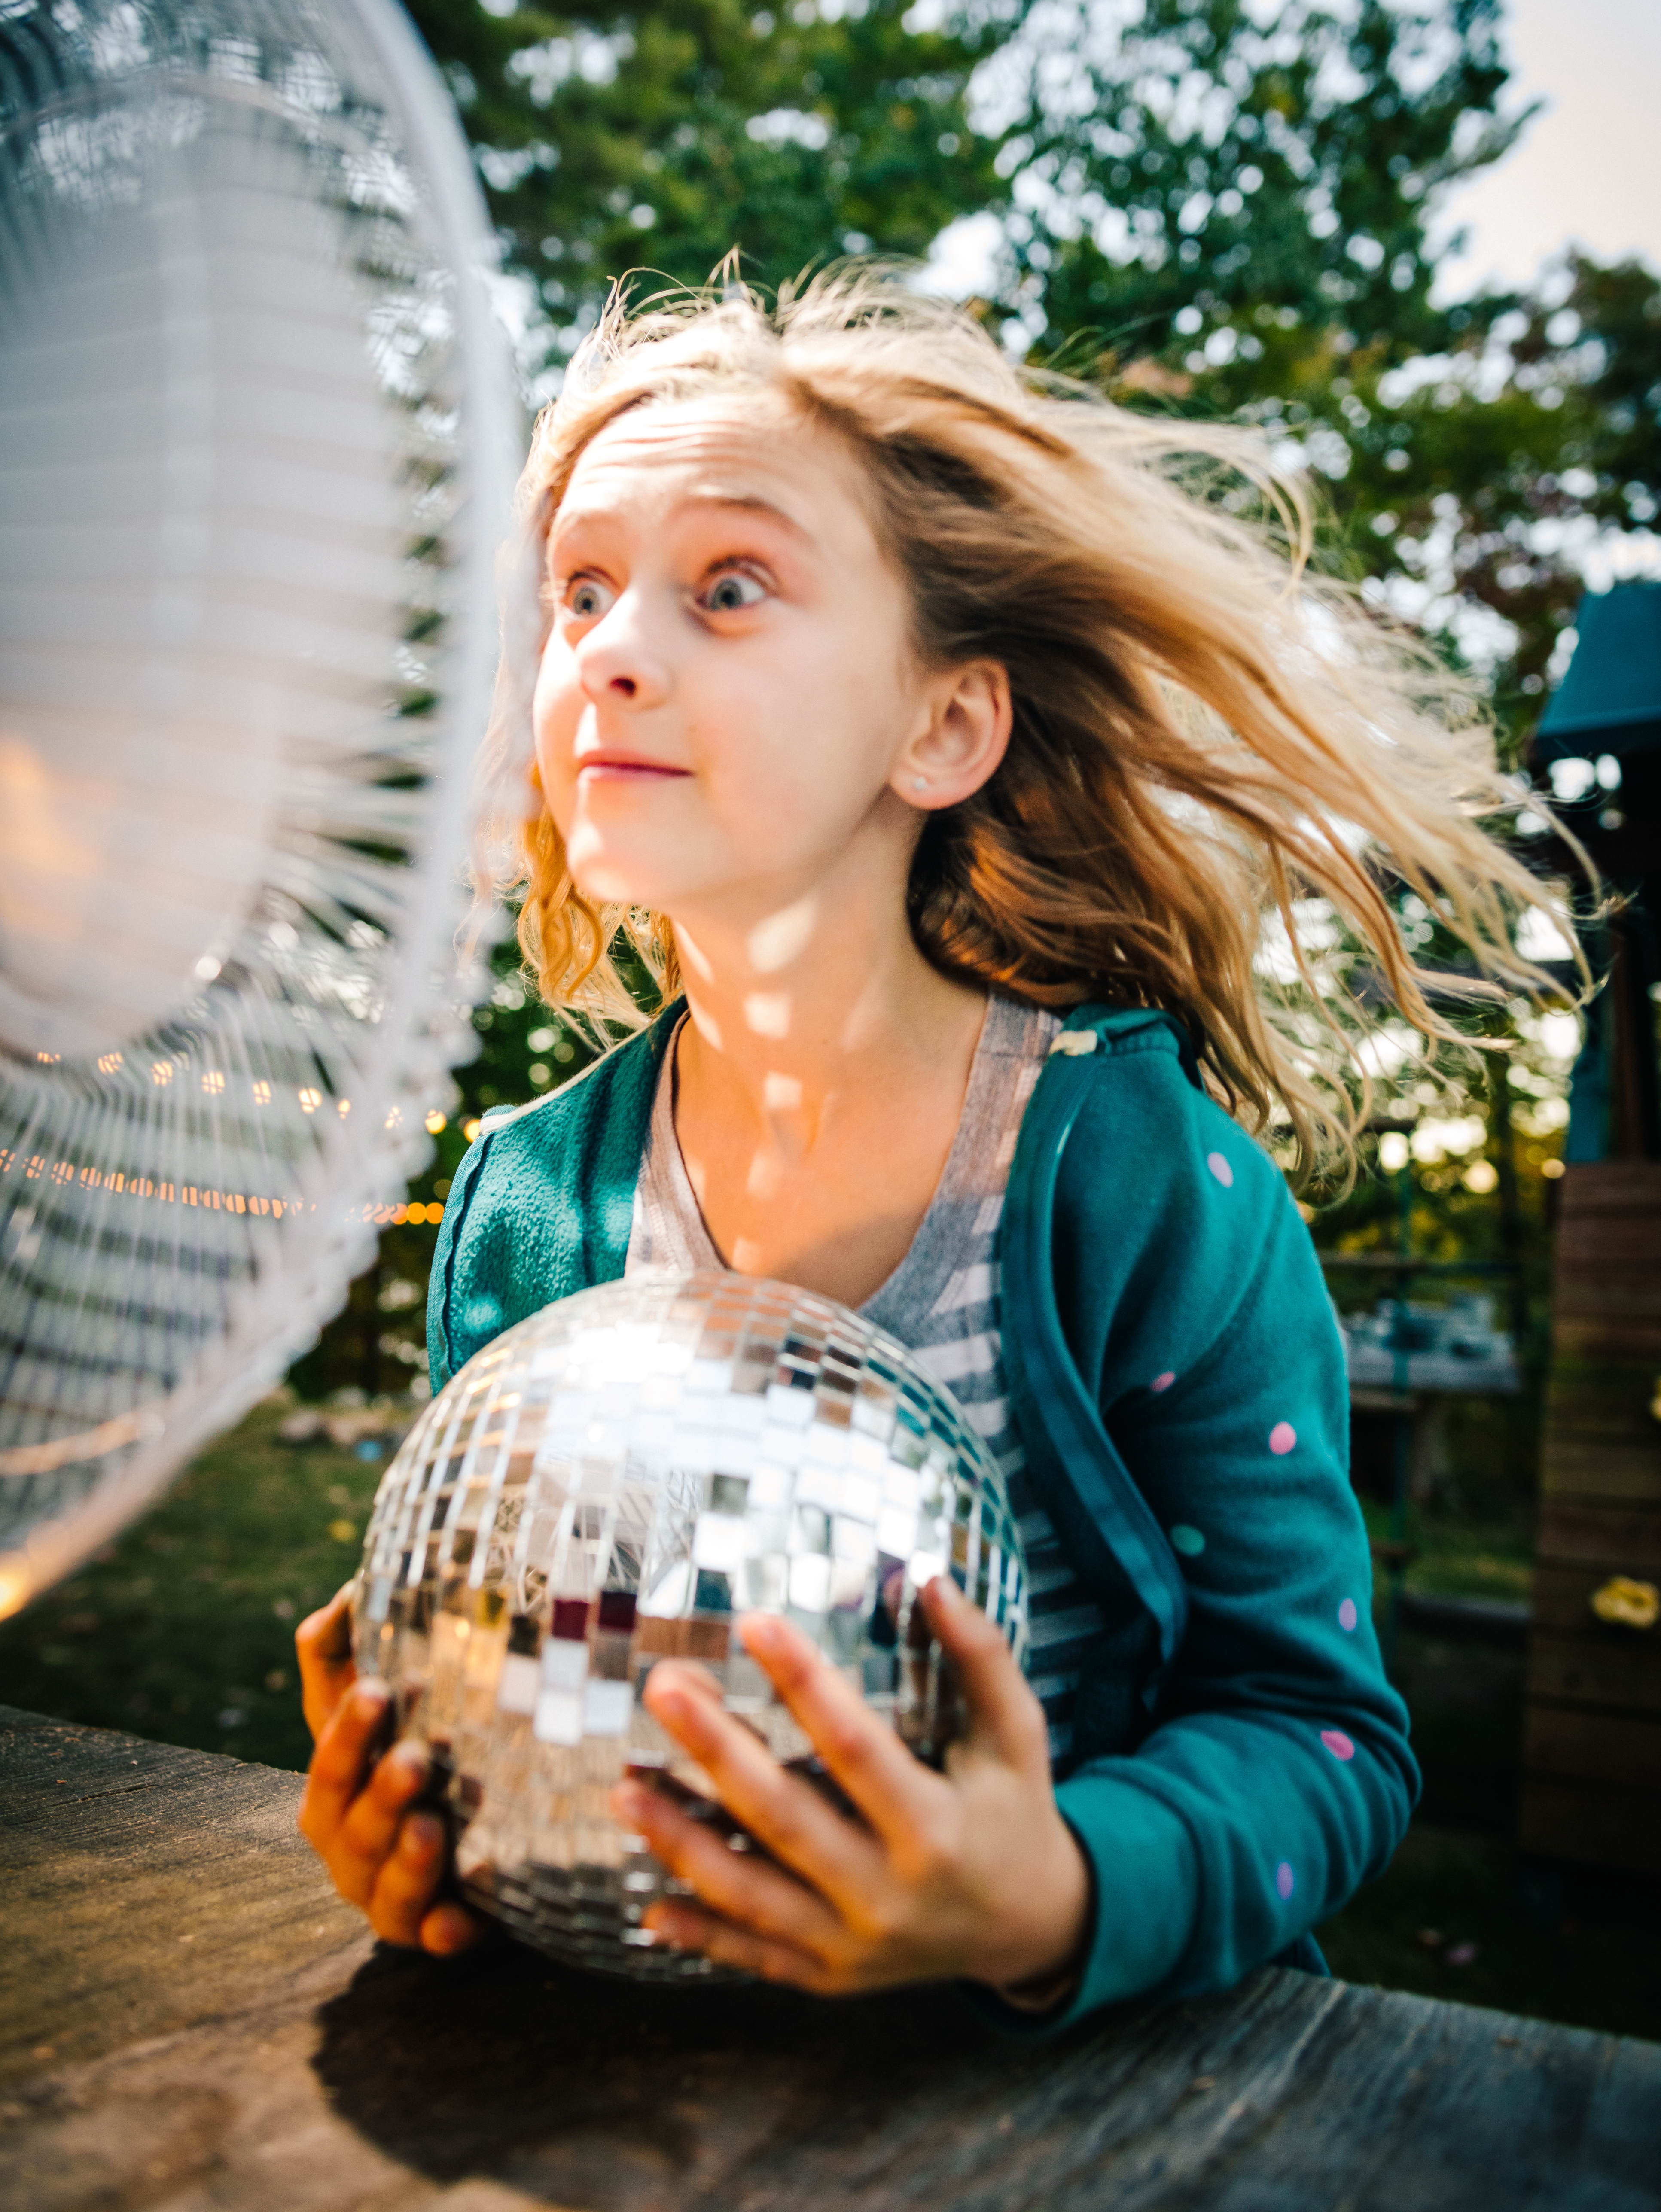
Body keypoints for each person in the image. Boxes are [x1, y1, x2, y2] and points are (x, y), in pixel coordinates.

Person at [296, 271, 1572, 2025]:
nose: (604, 647)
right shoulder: (526, 1210)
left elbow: (1320, 1735)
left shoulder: (1150, 1193)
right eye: (579, 590)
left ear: (943, 725)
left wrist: (1050, 1890)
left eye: (726, 585)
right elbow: (522, 1707)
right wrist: (432, 1842)